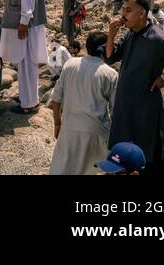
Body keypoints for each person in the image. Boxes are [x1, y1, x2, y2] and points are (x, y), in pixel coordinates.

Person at [104, 0, 164, 175]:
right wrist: (110, 36)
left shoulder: (157, 38)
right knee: (124, 155)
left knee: (148, 154)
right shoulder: (130, 34)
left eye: (128, 10)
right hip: (125, 105)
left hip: (145, 107)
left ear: (142, 14)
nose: (123, 14)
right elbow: (109, 57)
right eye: (123, 10)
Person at [49, 32, 118, 175]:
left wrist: (57, 123)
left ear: (87, 47)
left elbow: (56, 99)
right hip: (97, 133)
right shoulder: (110, 74)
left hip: (69, 130)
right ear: (106, 48)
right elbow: (115, 110)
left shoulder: (70, 64)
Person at [1, 0, 46, 114]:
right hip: (26, 19)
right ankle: (28, 98)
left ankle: (28, 104)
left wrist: (24, 20)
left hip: (26, 21)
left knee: (26, 61)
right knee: (26, 60)